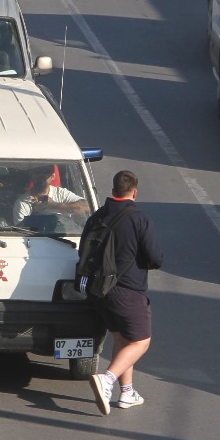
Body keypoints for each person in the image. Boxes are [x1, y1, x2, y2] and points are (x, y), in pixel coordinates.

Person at [87, 170, 164, 415]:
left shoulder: (98, 216)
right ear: (135, 192)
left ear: (113, 191)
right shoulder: (140, 219)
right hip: (128, 290)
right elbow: (154, 257)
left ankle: (127, 392)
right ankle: (107, 379)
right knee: (141, 341)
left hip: (100, 290)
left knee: (122, 339)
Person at [13, 166, 88, 222]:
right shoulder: (22, 203)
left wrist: (54, 206)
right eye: (37, 172)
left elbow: (86, 207)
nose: (41, 175)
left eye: (45, 172)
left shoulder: (61, 194)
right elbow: (22, 233)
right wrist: (34, 215)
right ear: (32, 175)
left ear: (53, 176)